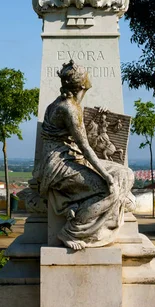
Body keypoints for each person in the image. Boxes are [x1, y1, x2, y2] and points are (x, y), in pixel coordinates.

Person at [36, 60, 135, 250]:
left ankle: (84, 211)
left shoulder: (64, 104)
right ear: (83, 84)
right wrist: (106, 176)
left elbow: (82, 134)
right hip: (59, 164)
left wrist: (99, 115)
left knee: (126, 173)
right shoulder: (69, 109)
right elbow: (86, 147)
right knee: (109, 190)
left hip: (69, 156)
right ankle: (72, 230)